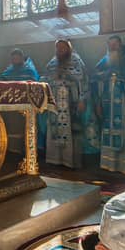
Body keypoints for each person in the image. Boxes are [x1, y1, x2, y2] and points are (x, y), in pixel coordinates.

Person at [92, 36, 125, 174]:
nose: (112, 47)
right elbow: (95, 82)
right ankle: (109, 164)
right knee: (108, 132)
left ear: (120, 45)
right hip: (107, 104)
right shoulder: (103, 62)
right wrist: (98, 103)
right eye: (110, 44)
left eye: (115, 44)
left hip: (124, 103)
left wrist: (124, 82)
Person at [44, 39, 88, 169]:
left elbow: (84, 81)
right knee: (54, 129)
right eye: (58, 48)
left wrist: (82, 99)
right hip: (55, 101)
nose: (60, 50)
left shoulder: (76, 60)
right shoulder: (52, 62)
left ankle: (71, 161)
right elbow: (46, 79)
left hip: (71, 101)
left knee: (73, 130)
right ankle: (56, 159)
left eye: (63, 47)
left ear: (69, 48)